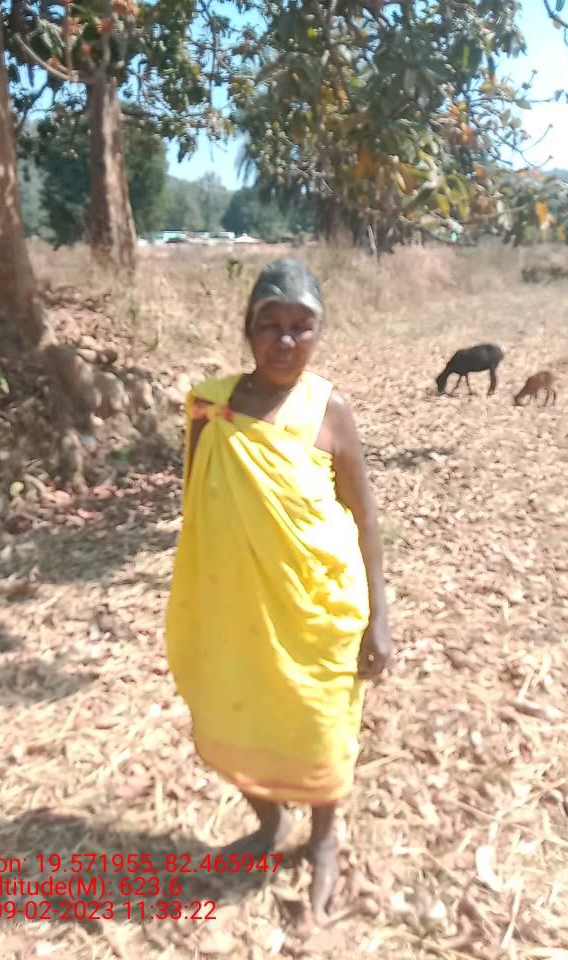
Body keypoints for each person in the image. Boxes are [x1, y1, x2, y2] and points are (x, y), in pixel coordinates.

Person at [165, 259, 392, 923]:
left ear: (319, 334)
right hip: (235, 606)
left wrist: (380, 618)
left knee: (318, 728)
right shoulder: (210, 407)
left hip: (319, 608)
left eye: (302, 326)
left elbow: (365, 517)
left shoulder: (331, 410)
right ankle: (270, 824)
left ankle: (321, 840)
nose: (286, 340)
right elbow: (200, 504)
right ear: (248, 329)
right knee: (231, 714)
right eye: (272, 325)